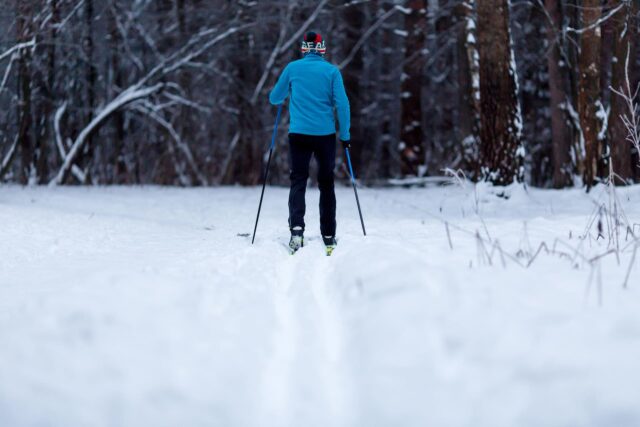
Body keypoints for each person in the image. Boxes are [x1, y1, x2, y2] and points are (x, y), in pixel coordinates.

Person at [269, 31, 351, 255]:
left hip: (299, 135)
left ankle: (297, 230)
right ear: (322, 49)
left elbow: (275, 98)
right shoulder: (332, 72)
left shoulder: (293, 69)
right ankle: (329, 235)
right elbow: (342, 105)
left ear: (304, 48)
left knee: (298, 180)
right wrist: (345, 135)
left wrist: (289, 90)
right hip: (325, 136)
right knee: (326, 183)